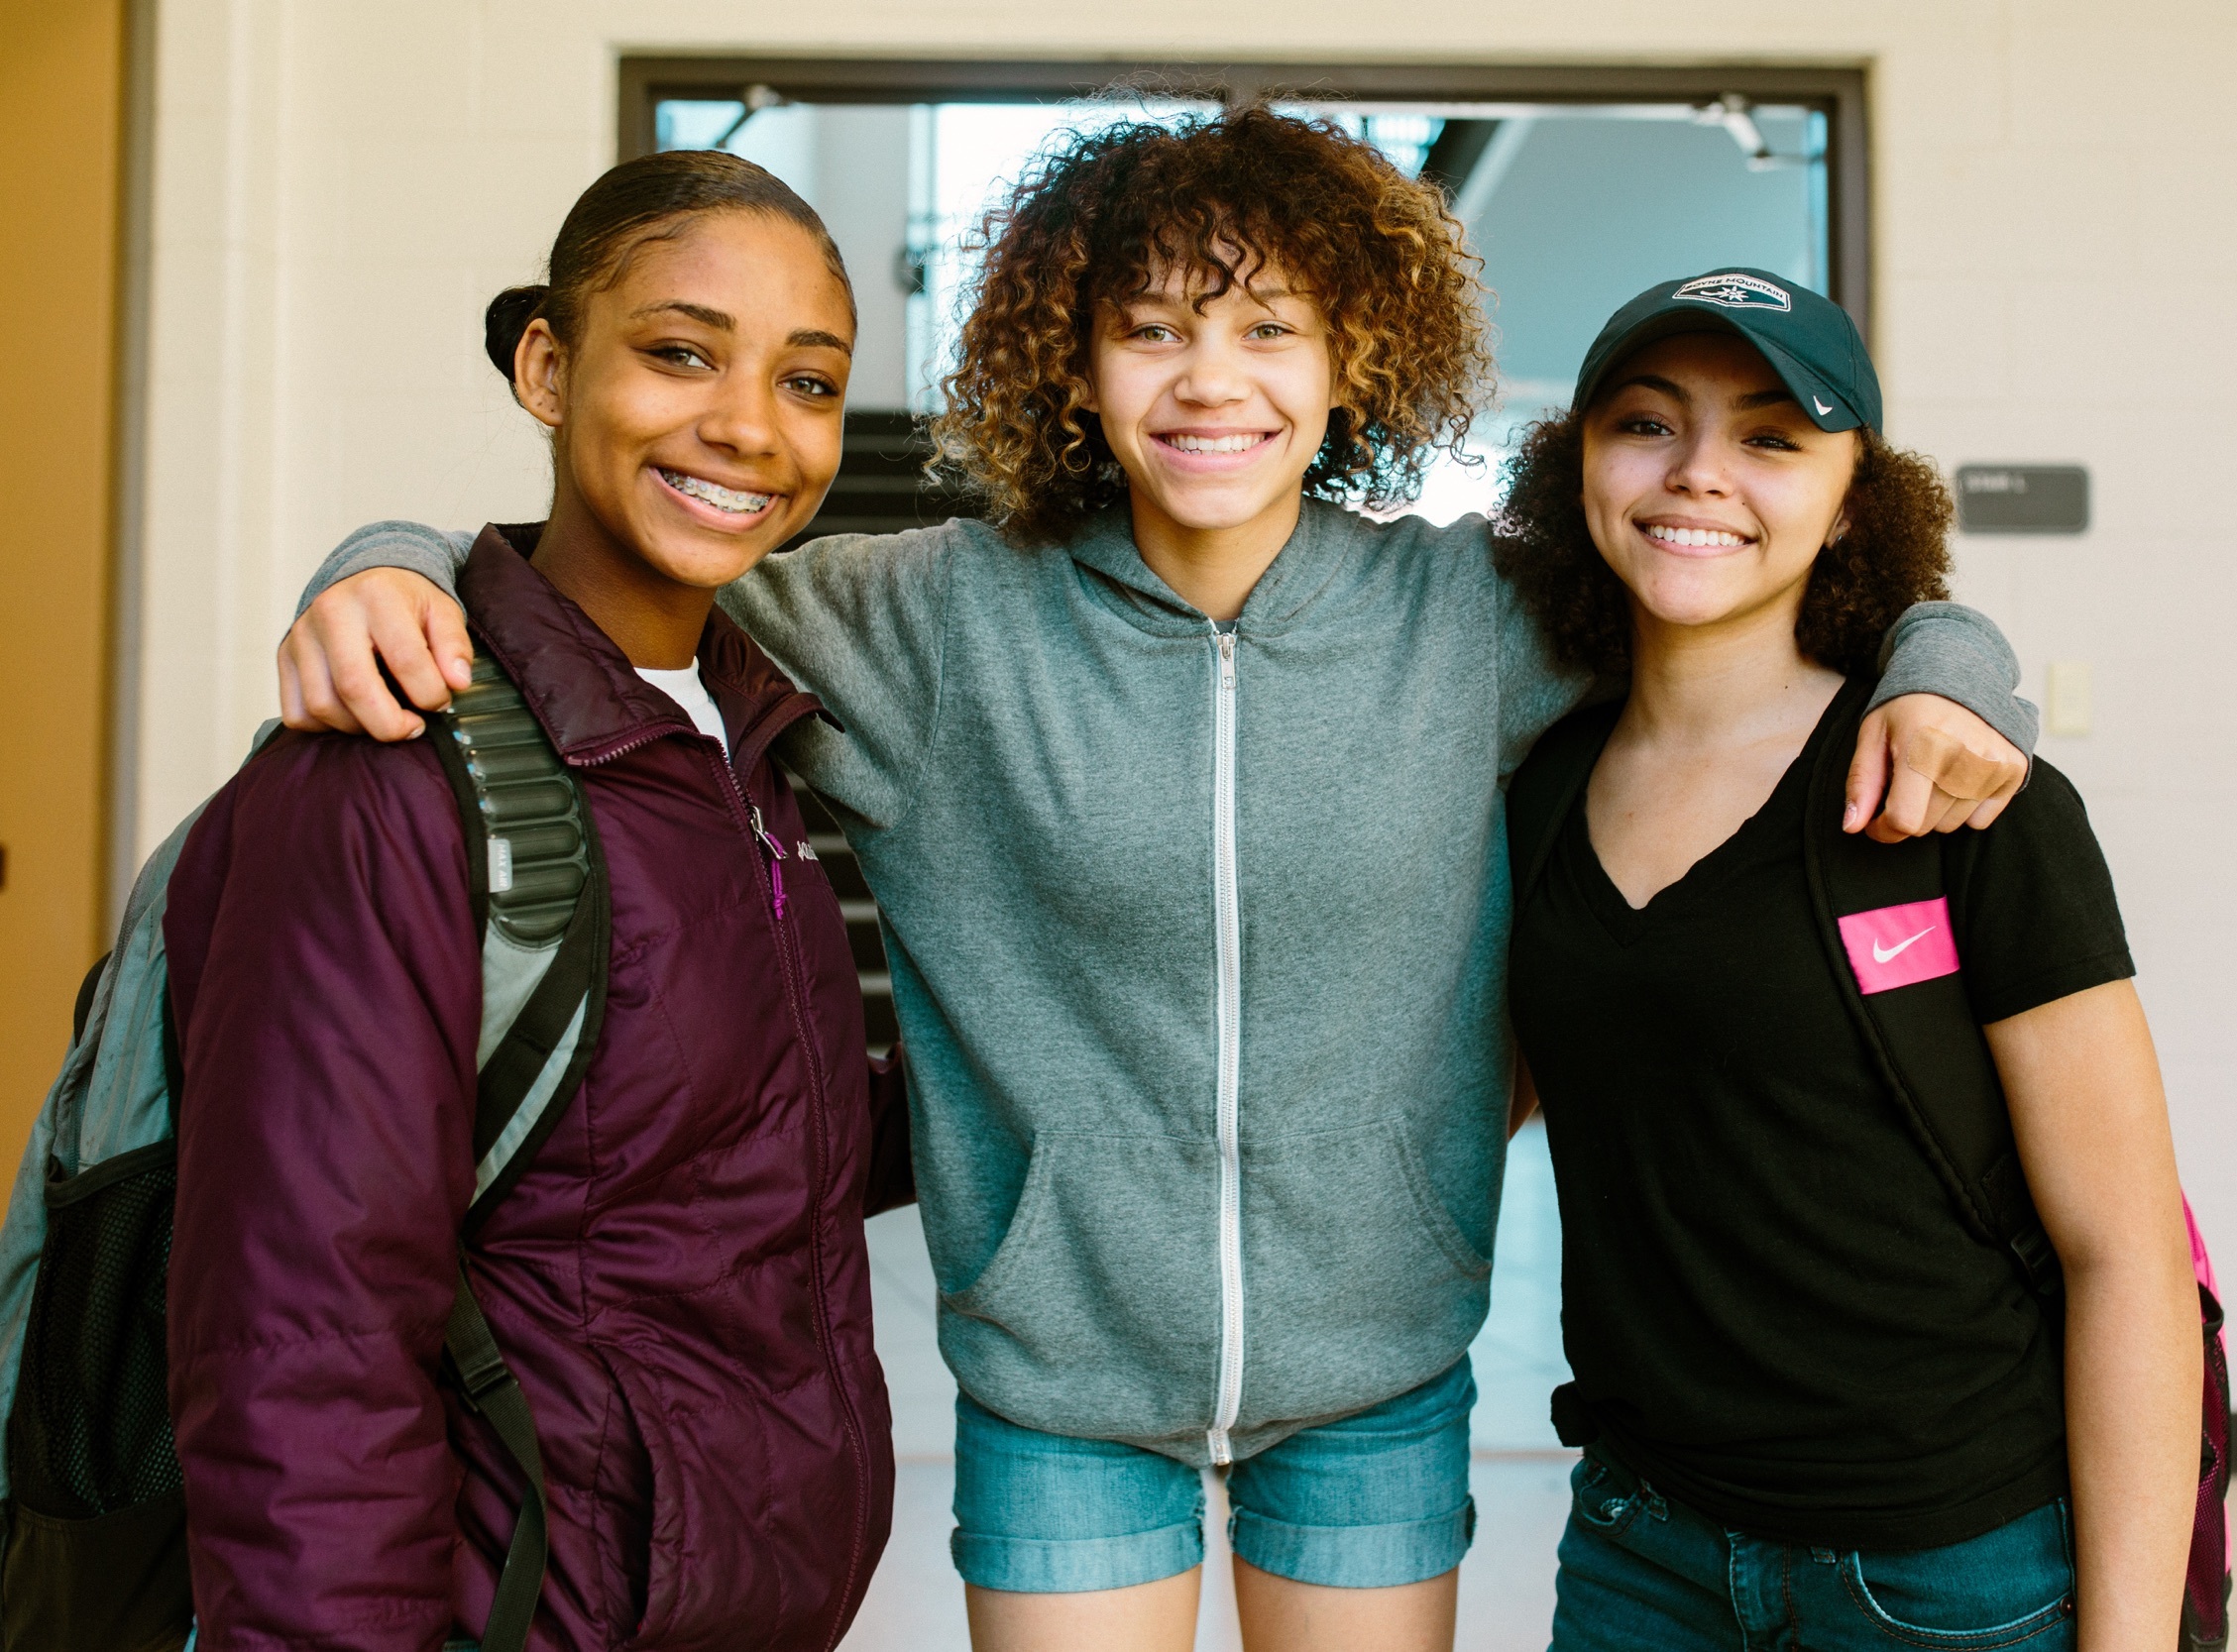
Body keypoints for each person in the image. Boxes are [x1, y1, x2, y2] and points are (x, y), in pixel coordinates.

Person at [269, 112, 2039, 1652]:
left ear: (1349, 363)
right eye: (1153, 329)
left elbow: (1771, 599)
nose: (1213, 380)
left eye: (1271, 329)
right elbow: (608, 568)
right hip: (1061, 1382)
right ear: (1076, 362)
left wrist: (1952, 656)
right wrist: (387, 557)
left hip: (1379, 1366)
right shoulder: (938, 621)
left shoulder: (1464, 619)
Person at [165, 151, 907, 1649]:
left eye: (808, 382)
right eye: (680, 353)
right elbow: (301, 1339)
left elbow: (716, 1166)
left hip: (740, 1605)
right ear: (548, 368)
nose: (750, 427)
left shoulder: (749, 743)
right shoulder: (390, 771)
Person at [1497, 270, 2201, 1650]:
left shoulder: (1963, 800)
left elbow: (2127, 1256)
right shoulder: (1532, 786)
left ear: (1851, 499)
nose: (1700, 473)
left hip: (1949, 1572)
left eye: (1771, 437)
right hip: (1643, 1550)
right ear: (1577, 459)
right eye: (1647, 422)